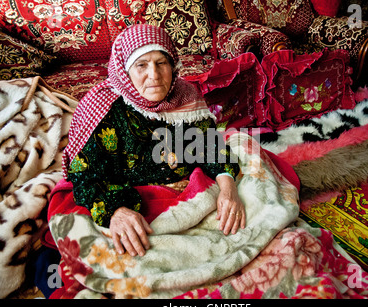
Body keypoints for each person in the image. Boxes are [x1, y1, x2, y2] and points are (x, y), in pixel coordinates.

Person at [62, 24, 245, 258]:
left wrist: (229, 191)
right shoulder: (102, 109)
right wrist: (116, 212)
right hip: (131, 200)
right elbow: (85, 175)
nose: (155, 75)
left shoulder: (185, 97)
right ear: (125, 71)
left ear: (173, 65)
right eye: (141, 65)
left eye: (161, 63)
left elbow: (211, 147)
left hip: (186, 194)